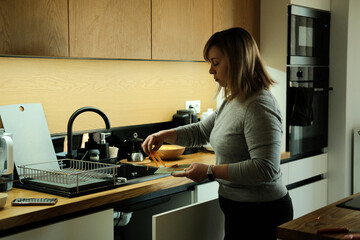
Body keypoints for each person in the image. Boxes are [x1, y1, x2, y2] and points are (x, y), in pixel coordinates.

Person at [142, 27, 293, 240]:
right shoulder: (234, 100)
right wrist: (164, 134)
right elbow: (202, 130)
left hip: (260, 213)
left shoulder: (259, 105)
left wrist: (210, 171)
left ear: (237, 61)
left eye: (216, 63)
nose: (211, 71)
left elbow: (265, 168)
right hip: (240, 211)